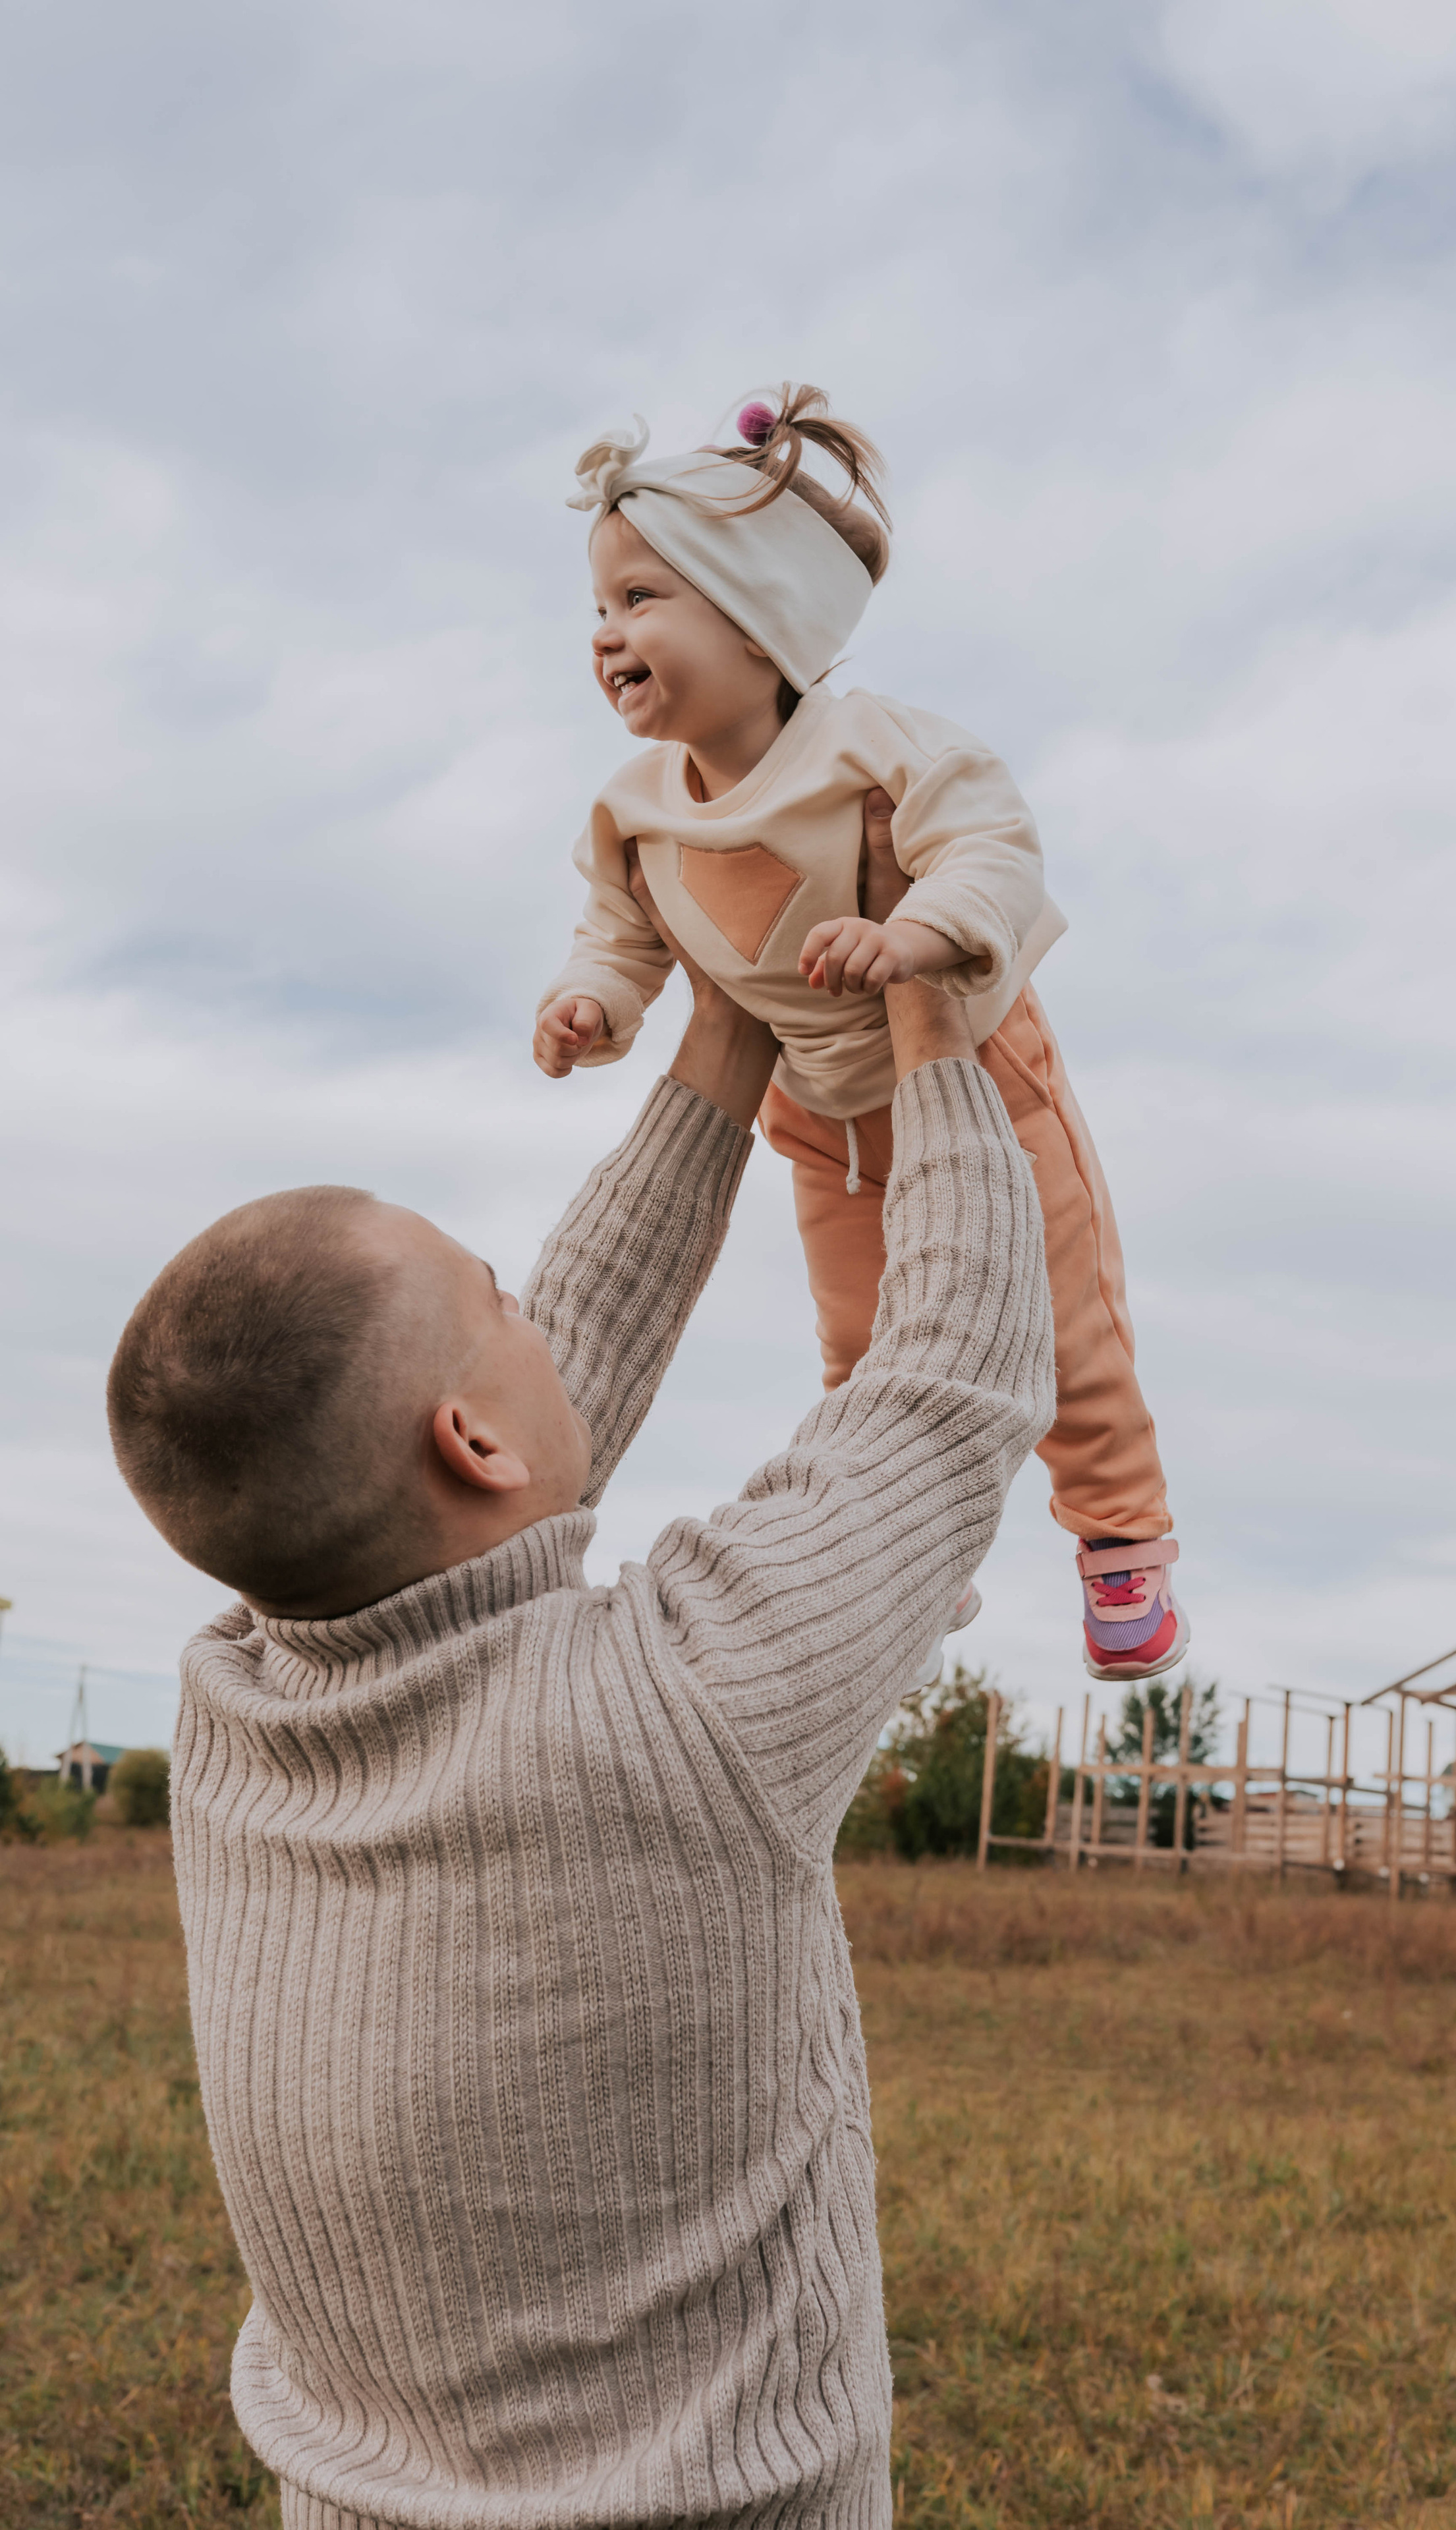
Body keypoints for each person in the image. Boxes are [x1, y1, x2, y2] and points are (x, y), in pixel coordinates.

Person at [105, 841, 1054, 2530]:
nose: (536, 1311)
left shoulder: (232, 1709)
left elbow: (508, 1442)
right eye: (496, 1299)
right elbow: (949, 1386)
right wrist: (929, 1005)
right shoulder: (685, 1703)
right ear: (469, 1435)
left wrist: (729, 1027)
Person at [534, 384, 1185, 1683]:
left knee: (1059, 1323)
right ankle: (906, 1551)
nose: (605, 634)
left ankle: (1121, 1536)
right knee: (858, 1346)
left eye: (640, 598)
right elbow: (622, 931)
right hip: (823, 1120)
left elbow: (989, 846)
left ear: (761, 617)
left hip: (983, 1087)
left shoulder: (872, 748)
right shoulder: (635, 809)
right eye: (597, 607)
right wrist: (593, 1003)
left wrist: (923, 932)